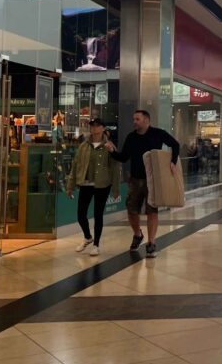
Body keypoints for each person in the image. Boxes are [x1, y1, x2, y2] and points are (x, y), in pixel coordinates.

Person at [106, 110, 180, 259]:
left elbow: (175, 144)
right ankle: (137, 234)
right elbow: (124, 157)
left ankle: (151, 243)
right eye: (134, 119)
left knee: (152, 210)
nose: (135, 121)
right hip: (135, 179)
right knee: (132, 210)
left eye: (137, 119)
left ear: (146, 120)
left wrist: (173, 162)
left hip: (153, 179)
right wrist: (112, 151)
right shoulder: (131, 137)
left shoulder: (158, 133)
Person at [66, 119, 119, 256]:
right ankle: (88, 237)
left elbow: (114, 167)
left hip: (103, 184)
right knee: (81, 214)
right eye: (92, 126)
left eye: (97, 126)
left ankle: (96, 244)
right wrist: (70, 185)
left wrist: (115, 189)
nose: (94, 128)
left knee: (98, 214)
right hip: (86, 183)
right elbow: (75, 166)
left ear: (103, 128)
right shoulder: (84, 146)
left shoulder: (109, 145)